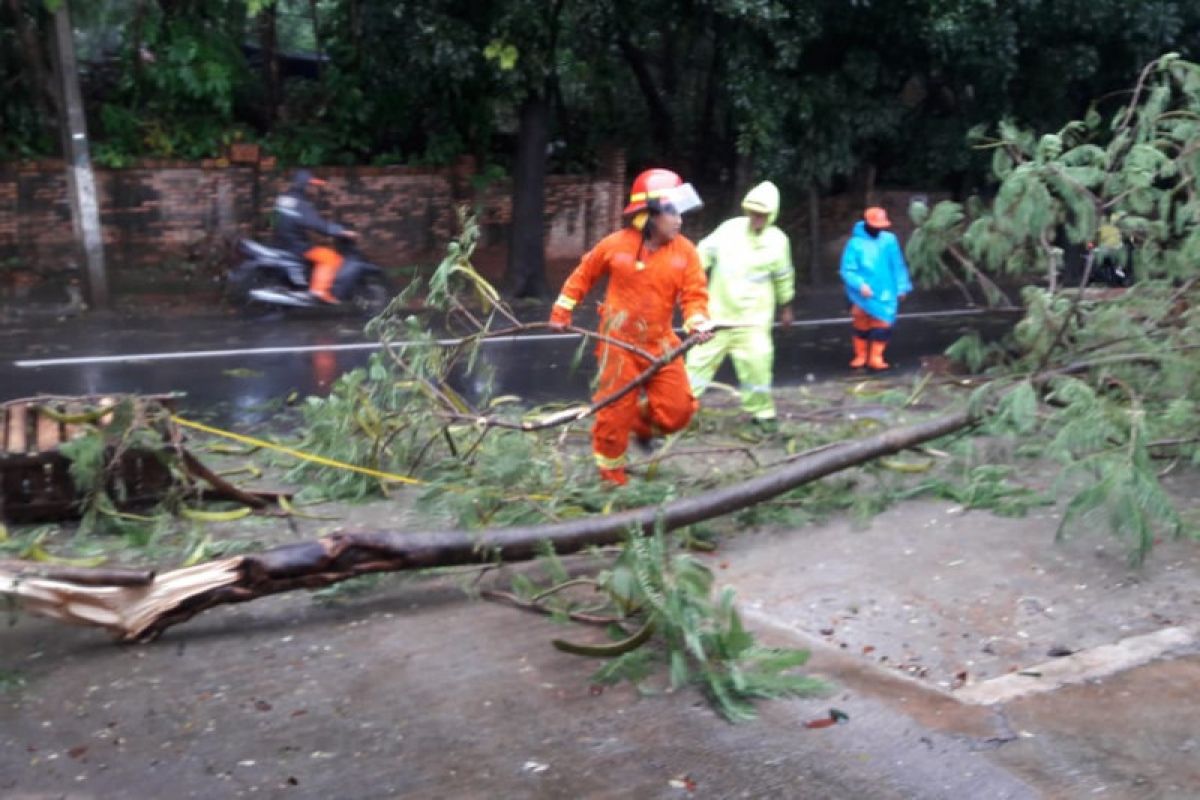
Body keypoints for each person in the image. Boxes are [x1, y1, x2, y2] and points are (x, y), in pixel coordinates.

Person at [548, 168, 714, 486]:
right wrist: (561, 311)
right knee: (613, 413)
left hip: (659, 341)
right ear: (648, 214)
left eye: (680, 211)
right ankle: (612, 480)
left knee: (678, 411)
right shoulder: (616, 245)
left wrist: (697, 323)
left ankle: (638, 424)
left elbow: (695, 297)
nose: (679, 219)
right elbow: (582, 276)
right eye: (671, 211)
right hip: (618, 344)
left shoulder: (686, 254)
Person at [685, 181, 794, 431]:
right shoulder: (729, 230)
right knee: (696, 365)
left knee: (758, 367)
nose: (757, 218)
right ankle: (680, 412)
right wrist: (685, 283)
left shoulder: (779, 242)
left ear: (772, 214)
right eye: (753, 212)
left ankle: (763, 416)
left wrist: (786, 306)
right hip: (717, 316)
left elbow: (783, 276)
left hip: (753, 323)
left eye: (762, 214)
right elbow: (701, 256)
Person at [839, 206, 912, 370]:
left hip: (885, 293)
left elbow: (897, 266)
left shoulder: (889, 240)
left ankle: (876, 357)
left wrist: (902, 287)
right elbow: (847, 269)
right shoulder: (855, 244)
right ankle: (861, 355)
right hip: (861, 296)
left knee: (883, 325)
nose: (879, 229)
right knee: (861, 325)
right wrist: (859, 285)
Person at [273, 170, 357, 304]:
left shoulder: (285, 198)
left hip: (281, 242)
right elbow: (316, 224)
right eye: (311, 185)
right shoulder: (300, 203)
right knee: (330, 258)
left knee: (319, 250)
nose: (314, 189)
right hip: (297, 245)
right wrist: (339, 231)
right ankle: (319, 290)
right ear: (303, 185)